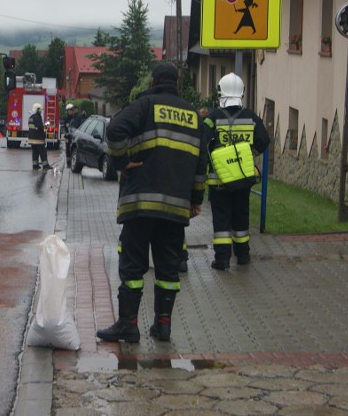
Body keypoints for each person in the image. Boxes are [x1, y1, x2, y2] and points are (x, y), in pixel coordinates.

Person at [96, 62, 207, 343]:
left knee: (133, 266)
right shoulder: (194, 117)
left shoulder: (144, 106)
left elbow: (114, 130)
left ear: (153, 81)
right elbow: (200, 163)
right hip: (175, 210)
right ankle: (163, 325)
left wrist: (122, 163)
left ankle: (129, 324)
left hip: (141, 206)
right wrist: (195, 201)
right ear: (177, 84)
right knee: (168, 269)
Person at [204, 73, 270, 270]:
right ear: (241, 92)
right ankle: (243, 256)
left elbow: (203, 142)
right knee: (241, 216)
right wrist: (248, 154)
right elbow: (264, 141)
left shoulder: (212, 118)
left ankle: (222, 259)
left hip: (219, 181)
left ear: (220, 92)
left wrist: (213, 158)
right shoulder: (251, 117)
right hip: (243, 178)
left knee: (221, 219)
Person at [28, 102, 50, 170]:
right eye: (40, 110)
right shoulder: (38, 117)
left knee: (35, 153)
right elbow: (40, 127)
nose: (41, 111)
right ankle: (45, 165)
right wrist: (46, 125)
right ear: (38, 109)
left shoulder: (31, 117)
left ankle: (35, 165)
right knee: (42, 152)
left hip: (32, 139)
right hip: (38, 139)